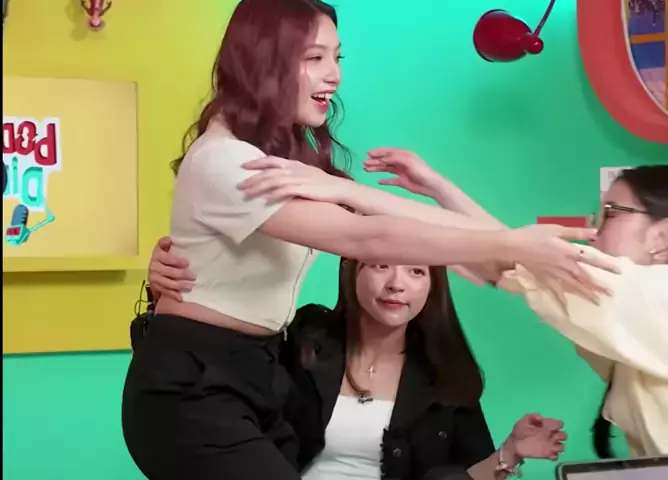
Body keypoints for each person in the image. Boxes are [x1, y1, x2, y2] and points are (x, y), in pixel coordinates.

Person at [122, 1, 616, 478]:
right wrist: (512, 244)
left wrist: (462, 208)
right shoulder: (228, 161)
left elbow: (402, 231)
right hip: (194, 382)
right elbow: (369, 236)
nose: (334, 75)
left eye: (337, 57)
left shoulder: (283, 164)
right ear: (263, 62)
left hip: (255, 369)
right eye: (315, 58)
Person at [234, 150, 668, 457]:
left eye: (613, 212)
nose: (595, 226)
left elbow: (505, 253)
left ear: (662, 236)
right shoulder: (308, 341)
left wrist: (341, 191)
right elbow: (503, 253)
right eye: (381, 265)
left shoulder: (650, 296)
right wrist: (437, 188)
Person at [145, 256, 568, 480]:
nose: (397, 284)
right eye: (381, 265)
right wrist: (165, 293)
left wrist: (510, 452)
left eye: (417, 271)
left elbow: (463, 474)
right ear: (352, 271)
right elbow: (221, 360)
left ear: (432, 287)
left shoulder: (446, 374)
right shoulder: (305, 337)